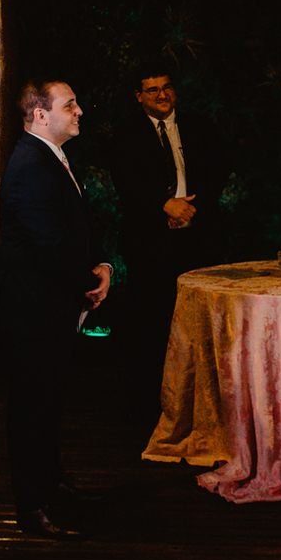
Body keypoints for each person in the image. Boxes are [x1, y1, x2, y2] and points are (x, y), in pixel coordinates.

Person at [0, 78, 113, 539]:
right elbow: (47, 247)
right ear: (41, 115)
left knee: (48, 405)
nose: (79, 111)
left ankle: (53, 486)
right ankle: (32, 506)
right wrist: (90, 283)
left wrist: (100, 263)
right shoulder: (29, 165)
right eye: (70, 105)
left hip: (47, 307)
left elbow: (74, 228)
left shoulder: (49, 157)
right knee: (30, 411)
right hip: (29, 311)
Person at [110, 62, 232, 422]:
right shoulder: (126, 134)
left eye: (166, 87)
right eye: (152, 90)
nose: (162, 95)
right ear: (138, 96)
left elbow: (218, 169)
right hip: (150, 242)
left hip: (198, 240)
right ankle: (149, 408)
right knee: (151, 326)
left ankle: (200, 405)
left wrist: (192, 208)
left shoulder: (199, 127)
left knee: (199, 325)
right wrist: (163, 205)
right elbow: (125, 181)